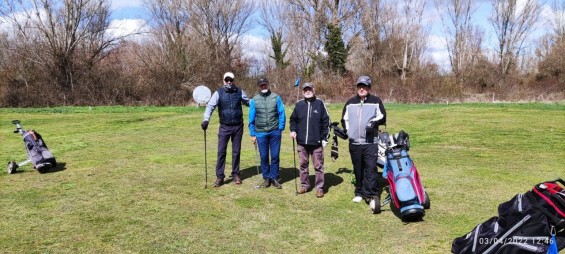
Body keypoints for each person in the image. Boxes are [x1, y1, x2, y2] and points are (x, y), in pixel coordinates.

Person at [340, 75, 386, 208]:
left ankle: (371, 194)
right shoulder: (350, 102)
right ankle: (359, 192)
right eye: (360, 86)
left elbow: (382, 116)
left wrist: (373, 123)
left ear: (369, 87)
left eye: (364, 86)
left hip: (370, 142)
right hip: (355, 143)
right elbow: (344, 119)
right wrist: (349, 132)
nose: (362, 88)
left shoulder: (376, 101)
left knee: (371, 168)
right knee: (358, 169)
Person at [201, 72, 250, 187]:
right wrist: (206, 119)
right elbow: (210, 106)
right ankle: (220, 177)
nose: (229, 82)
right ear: (223, 80)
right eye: (227, 80)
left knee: (236, 151)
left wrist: (261, 103)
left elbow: (248, 102)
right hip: (224, 126)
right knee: (221, 152)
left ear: (233, 80)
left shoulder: (239, 91)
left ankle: (236, 174)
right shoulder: (218, 93)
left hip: (238, 126)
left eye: (231, 80)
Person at [289, 82, 330, 198]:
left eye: (310, 89)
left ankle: (319, 188)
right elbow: (293, 120)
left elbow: (326, 122)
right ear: (302, 92)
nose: (308, 91)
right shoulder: (299, 105)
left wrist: (325, 138)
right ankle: (304, 185)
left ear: (314, 90)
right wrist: (293, 130)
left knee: (318, 166)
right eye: (305, 89)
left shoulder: (320, 103)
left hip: (316, 141)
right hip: (301, 141)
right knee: (303, 164)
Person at [248, 77, 286, 189]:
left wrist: (280, 128)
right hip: (260, 133)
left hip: (275, 132)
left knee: (275, 156)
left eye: (265, 84)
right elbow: (251, 117)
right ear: (259, 87)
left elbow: (281, 113)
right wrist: (252, 134)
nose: (263, 86)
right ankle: (266, 178)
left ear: (268, 85)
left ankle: (274, 177)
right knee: (264, 157)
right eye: (261, 85)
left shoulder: (276, 97)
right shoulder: (254, 100)